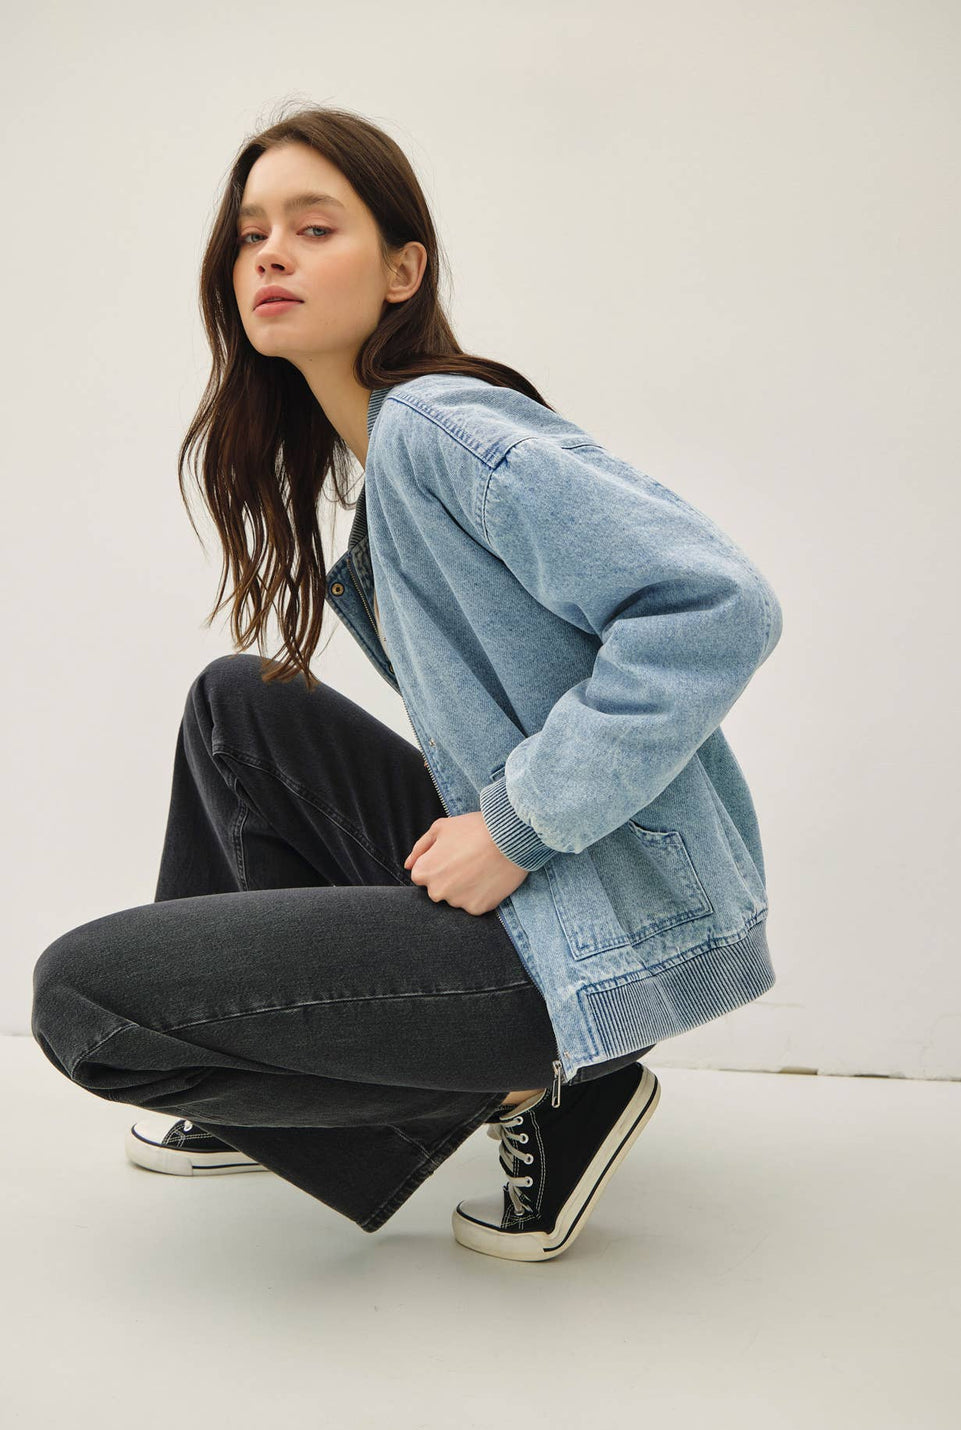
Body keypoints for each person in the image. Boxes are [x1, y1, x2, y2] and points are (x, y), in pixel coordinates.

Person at [31, 106, 782, 1262]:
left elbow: (716, 605)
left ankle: (539, 1085)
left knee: (84, 1001)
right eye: (250, 234)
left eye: (312, 227)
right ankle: (313, 1097)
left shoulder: (441, 428)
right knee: (240, 703)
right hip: (549, 902)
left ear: (401, 270)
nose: (269, 255)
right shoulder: (386, 465)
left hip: (588, 930)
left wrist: (520, 826)